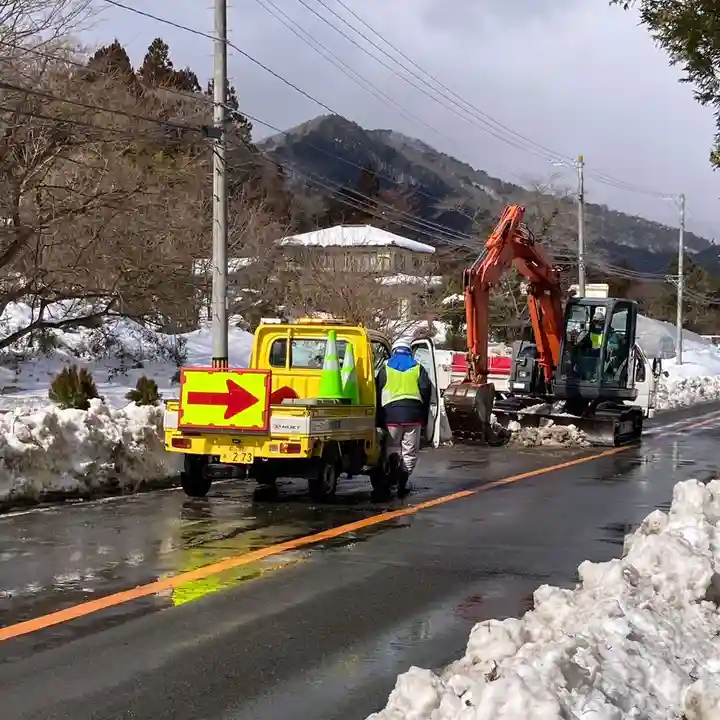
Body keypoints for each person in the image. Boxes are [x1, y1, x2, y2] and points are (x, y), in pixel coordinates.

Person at [375, 337, 431, 493]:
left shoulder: (386, 368)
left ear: (394, 351)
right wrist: (424, 418)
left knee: (392, 446)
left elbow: (377, 391)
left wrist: (379, 417)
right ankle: (403, 480)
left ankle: (392, 466)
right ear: (409, 351)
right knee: (409, 452)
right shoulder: (418, 368)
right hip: (413, 415)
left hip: (391, 414)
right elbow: (426, 392)